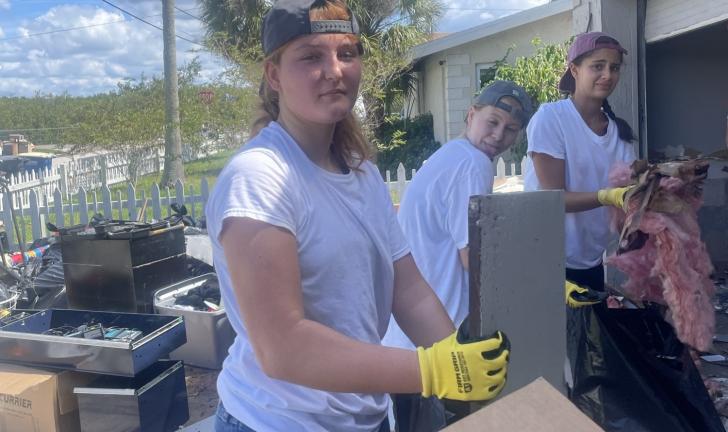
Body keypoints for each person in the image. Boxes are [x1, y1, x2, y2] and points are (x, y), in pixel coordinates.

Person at [204, 1, 511, 431]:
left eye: (347, 53)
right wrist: (434, 372)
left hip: (364, 416)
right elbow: (284, 347)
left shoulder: (360, 171)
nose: (335, 70)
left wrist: (459, 357)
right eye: (311, 56)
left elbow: (409, 290)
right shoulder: (259, 178)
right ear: (274, 76)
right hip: (278, 421)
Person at [380, 81, 532, 430]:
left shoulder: (452, 154)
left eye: (510, 130)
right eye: (491, 122)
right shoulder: (472, 164)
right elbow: (474, 260)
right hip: (435, 335)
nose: (498, 135)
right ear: (471, 115)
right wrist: (536, 282)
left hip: (408, 334)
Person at [523, 31, 637, 425]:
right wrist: (607, 196)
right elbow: (552, 199)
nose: (607, 75)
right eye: (597, 66)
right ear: (574, 69)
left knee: (588, 366)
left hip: (590, 261)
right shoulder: (551, 119)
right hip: (546, 261)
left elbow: (628, 199)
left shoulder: (620, 133)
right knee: (550, 365)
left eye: (614, 68)